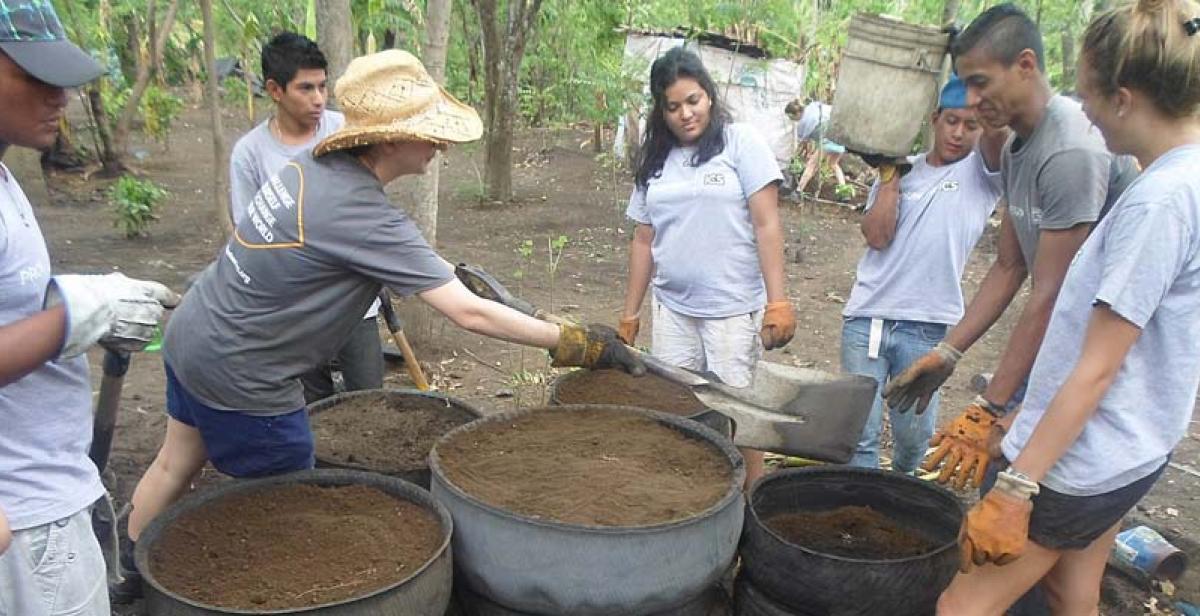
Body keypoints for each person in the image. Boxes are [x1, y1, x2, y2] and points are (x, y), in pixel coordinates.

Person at [122, 49, 643, 592]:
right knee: (279, 508)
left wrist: (539, 317)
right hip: (244, 373)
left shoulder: (315, 171)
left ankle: (129, 576)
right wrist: (577, 344)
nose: (440, 145)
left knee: (174, 464)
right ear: (391, 139)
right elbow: (465, 311)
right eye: (429, 133)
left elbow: (443, 276)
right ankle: (261, 594)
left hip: (193, 334)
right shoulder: (362, 214)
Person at [938, 1, 1200, 612]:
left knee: (959, 605)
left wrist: (1017, 487)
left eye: (1088, 97)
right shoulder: (1186, 178)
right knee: (1071, 589)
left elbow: (1098, 367)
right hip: (1135, 448)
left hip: (1084, 460)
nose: (1083, 112)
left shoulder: (1157, 201)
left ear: (1125, 99)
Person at [883, 3, 1137, 490]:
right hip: (1066, 334)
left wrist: (991, 406)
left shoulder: (1069, 149)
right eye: (965, 85)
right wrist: (948, 352)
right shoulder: (1018, 144)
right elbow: (1007, 264)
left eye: (981, 83)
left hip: (1099, 348)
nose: (973, 101)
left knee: (1011, 478)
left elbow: (1055, 294)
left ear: (1025, 65)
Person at [0, 2, 177, 613]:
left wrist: (69, 302)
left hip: (48, 489)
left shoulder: (4, 174)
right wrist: (76, 317)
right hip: (23, 519)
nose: (61, 97)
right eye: (35, 76)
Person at [617, 47, 795, 489]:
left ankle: (749, 498)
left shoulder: (741, 144)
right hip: (673, 308)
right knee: (676, 404)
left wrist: (778, 301)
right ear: (661, 110)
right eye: (673, 106)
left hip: (731, 310)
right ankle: (689, 491)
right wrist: (630, 313)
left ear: (709, 96)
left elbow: (767, 224)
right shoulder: (656, 158)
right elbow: (644, 239)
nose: (685, 114)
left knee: (739, 411)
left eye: (693, 100)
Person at [841, 74, 1005, 473]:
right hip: (868, 318)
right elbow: (878, 237)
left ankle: (900, 505)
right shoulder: (901, 170)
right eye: (951, 121)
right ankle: (860, 511)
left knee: (913, 441)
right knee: (859, 436)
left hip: (927, 327)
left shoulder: (980, 175)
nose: (959, 133)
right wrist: (889, 178)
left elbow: (1001, 135)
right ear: (935, 118)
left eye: (971, 125)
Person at [228, 32, 382, 403]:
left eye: (323, 87)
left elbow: (369, 206)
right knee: (315, 404)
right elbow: (249, 233)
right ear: (275, 90)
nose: (318, 99)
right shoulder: (249, 154)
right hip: (295, 305)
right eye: (306, 88)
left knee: (370, 397)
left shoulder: (346, 132)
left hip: (353, 295)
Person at [785, 98, 847, 196]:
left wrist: (795, 156)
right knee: (833, 164)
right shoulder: (814, 107)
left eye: (791, 117)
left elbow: (803, 141)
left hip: (827, 142)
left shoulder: (803, 123)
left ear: (797, 113)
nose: (792, 120)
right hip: (839, 139)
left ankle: (798, 191)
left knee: (811, 165)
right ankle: (844, 191)